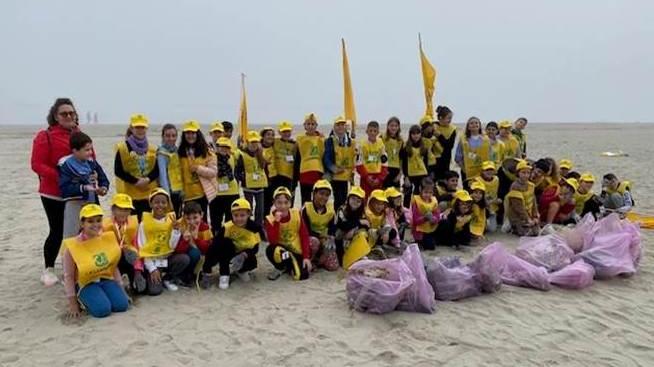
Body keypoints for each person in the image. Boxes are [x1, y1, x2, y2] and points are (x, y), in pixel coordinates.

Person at [31, 98, 83, 286]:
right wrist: (62, 176)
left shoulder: (79, 134)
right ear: (55, 116)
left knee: (78, 230)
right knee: (57, 230)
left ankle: (74, 266)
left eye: (71, 113)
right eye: (64, 113)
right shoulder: (45, 136)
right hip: (53, 192)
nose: (69, 116)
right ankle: (49, 269)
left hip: (77, 192)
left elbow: (89, 157)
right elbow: (37, 164)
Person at [62, 204, 129, 318]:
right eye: (90, 221)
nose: (95, 225)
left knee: (122, 305)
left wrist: (121, 288)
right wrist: (72, 303)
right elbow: (68, 276)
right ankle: (82, 299)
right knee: (102, 310)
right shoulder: (73, 246)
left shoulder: (106, 239)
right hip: (85, 283)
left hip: (105, 278)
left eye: (98, 220)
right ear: (82, 224)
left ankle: (103, 294)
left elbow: (113, 267)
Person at [202, 198, 265, 289]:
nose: (239, 218)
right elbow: (214, 246)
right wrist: (207, 269)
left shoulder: (255, 228)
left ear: (248, 214)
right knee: (224, 244)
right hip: (228, 253)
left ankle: (240, 271)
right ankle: (224, 274)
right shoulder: (227, 227)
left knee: (252, 262)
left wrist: (244, 255)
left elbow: (255, 247)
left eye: (242, 215)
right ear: (232, 215)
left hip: (243, 253)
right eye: (236, 215)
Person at [136, 189, 188, 295]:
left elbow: (172, 246)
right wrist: (152, 269)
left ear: (168, 204)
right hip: (152, 261)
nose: (160, 205)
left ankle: (168, 278)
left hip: (166, 258)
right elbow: (142, 248)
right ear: (151, 204)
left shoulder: (171, 220)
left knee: (184, 259)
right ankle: (152, 275)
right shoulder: (144, 223)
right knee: (154, 291)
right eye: (156, 202)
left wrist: (175, 230)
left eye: (164, 202)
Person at [59, 132, 109, 239]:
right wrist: (83, 187)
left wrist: (103, 188)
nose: (90, 152)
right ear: (75, 151)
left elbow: (103, 178)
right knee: (71, 235)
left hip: (92, 203)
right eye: (86, 150)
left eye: (91, 149)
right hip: (75, 203)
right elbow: (64, 189)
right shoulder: (66, 165)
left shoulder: (91, 162)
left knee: (95, 234)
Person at [114, 114, 159, 219]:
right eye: (137, 127)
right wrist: (135, 181)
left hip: (149, 195)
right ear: (131, 128)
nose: (140, 130)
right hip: (131, 195)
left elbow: (156, 170)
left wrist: (147, 179)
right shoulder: (123, 148)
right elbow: (118, 170)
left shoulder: (152, 148)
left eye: (142, 127)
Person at [265, 187, 312, 280]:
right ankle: (280, 267)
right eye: (279, 202)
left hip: (295, 250)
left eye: (286, 202)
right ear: (274, 203)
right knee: (271, 250)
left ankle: (291, 266)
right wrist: (277, 222)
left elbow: (304, 235)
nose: (283, 206)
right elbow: (273, 241)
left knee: (302, 275)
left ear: (290, 203)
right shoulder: (270, 219)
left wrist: (306, 257)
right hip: (281, 251)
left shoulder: (297, 214)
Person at [102, 194, 145, 293]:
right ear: (113, 210)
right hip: (113, 259)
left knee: (131, 256)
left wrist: (138, 269)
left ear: (130, 211)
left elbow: (137, 245)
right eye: (120, 209)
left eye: (126, 210)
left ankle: (134, 278)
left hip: (129, 258)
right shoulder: (105, 226)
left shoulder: (134, 224)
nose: (123, 213)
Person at [178, 120, 217, 224]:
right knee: (187, 223)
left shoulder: (207, 151)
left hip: (202, 194)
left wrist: (198, 169)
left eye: (193, 133)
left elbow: (213, 172)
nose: (190, 135)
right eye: (187, 133)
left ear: (198, 134)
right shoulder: (179, 152)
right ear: (184, 135)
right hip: (186, 195)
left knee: (202, 223)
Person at [302, 180, 339, 271]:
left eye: (327, 195)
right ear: (314, 193)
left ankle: (319, 260)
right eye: (321, 194)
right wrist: (321, 237)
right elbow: (305, 230)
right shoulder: (306, 208)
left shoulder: (331, 210)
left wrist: (329, 240)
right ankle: (310, 260)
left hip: (324, 240)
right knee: (314, 242)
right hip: (311, 239)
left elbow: (332, 229)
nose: (324, 197)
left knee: (333, 266)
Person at [174, 201, 212, 286]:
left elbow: (207, 248)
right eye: (188, 218)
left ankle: (193, 273)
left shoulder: (204, 227)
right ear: (183, 217)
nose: (191, 221)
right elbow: (177, 250)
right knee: (194, 253)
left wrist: (196, 239)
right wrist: (185, 240)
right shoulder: (179, 225)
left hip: (197, 253)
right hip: (182, 255)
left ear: (201, 215)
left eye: (195, 217)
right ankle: (184, 274)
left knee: (199, 254)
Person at [323, 116, 356, 210]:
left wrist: (352, 173)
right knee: (335, 198)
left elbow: (354, 158)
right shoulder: (329, 140)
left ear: (346, 127)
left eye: (342, 124)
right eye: (338, 125)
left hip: (345, 175)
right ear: (334, 127)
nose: (340, 127)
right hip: (333, 174)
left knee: (344, 198)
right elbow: (326, 158)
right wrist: (334, 169)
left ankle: (341, 217)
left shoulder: (350, 141)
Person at [236, 131, 268, 224]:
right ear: (248, 142)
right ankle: (248, 225)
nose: (254, 145)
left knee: (260, 209)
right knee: (248, 208)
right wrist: (242, 178)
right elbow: (238, 169)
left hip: (260, 185)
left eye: (256, 142)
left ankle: (258, 226)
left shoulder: (261, 153)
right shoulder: (242, 154)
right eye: (252, 142)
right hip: (248, 186)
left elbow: (263, 167)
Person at [335, 186, 370, 268]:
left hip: (352, 235)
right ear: (348, 199)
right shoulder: (341, 209)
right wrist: (358, 223)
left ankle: (359, 253)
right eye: (353, 199)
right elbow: (343, 225)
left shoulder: (362, 212)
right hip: (340, 237)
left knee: (363, 233)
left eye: (359, 201)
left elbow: (367, 225)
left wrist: (354, 228)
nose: (355, 202)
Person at [504, 160, 540, 236]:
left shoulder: (531, 185)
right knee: (527, 233)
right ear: (518, 173)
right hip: (517, 215)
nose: (526, 175)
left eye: (528, 173)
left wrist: (535, 216)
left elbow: (534, 202)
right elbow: (518, 207)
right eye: (523, 173)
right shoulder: (515, 186)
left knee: (536, 232)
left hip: (528, 213)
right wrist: (527, 219)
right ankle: (512, 227)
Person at [296, 113, 325, 205]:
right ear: (304, 126)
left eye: (313, 124)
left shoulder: (321, 138)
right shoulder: (300, 138)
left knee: (318, 198)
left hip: (318, 171)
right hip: (304, 171)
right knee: (305, 198)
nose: (310, 126)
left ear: (316, 126)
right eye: (308, 124)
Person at [213, 137, 240, 228]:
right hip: (217, 193)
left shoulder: (232, 157)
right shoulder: (211, 158)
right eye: (222, 146)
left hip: (232, 191)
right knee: (216, 220)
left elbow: (242, 151)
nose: (224, 149)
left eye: (227, 147)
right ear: (217, 147)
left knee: (230, 221)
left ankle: (228, 239)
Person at [356, 120, 389, 198]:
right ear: (366, 131)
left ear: (378, 132)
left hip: (378, 177)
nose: (372, 133)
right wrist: (367, 177)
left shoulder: (381, 144)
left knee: (377, 199)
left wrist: (380, 178)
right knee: (364, 199)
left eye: (375, 131)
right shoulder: (362, 144)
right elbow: (358, 163)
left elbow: (385, 162)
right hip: (366, 177)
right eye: (370, 131)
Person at [455, 116, 491, 186]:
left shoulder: (486, 139)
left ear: (480, 125)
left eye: (476, 123)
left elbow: (490, 155)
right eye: (471, 123)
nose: (474, 125)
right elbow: (458, 157)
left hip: (484, 173)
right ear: (468, 127)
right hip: (468, 173)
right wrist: (464, 169)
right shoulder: (463, 139)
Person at [157, 124, 183, 216]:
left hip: (179, 192)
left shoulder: (177, 151)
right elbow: (162, 176)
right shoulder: (161, 153)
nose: (171, 138)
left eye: (173, 136)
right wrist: (167, 198)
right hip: (169, 193)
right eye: (167, 136)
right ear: (163, 136)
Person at [400, 124, 429, 208]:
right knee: (407, 195)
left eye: (418, 133)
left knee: (418, 195)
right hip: (410, 174)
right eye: (413, 134)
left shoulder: (424, 147)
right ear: (410, 135)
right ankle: (406, 212)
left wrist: (427, 176)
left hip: (422, 174)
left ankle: (417, 211)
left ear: (421, 134)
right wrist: (406, 176)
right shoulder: (406, 147)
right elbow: (404, 163)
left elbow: (426, 163)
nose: (416, 135)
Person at [271, 121, 298, 204]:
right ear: (279, 132)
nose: (286, 133)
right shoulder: (275, 141)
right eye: (284, 132)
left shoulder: (295, 144)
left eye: (288, 131)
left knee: (289, 198)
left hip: (289, 176)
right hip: (277, 175)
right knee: (276, 198)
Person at [410, 177, 440, 250]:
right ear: (420, 189)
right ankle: (418, 241)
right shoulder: (416, 201)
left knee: (431, 246)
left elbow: (437, 215)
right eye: (426, 192)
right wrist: (425, 218)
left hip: (430, 228)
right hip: (419, 230)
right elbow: (415, 220)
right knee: (425, 246)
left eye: (430, 193)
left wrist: (433, 219)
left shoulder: (434, 201)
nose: (428, 195)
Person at [475, 161, 501, 231]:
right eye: (487, 170)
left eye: (491, 170)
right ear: (482, 171)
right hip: (482, 207)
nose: (489, 172)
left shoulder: (496, 179)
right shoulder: (477, 180)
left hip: (493, 208)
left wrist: (499, 199)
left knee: (492, 229)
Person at [434, 105, 456, 180]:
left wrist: (440, 136)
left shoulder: (452, 129)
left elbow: (449, 145)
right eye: (448, 118)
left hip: (445, 159)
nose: (450, 120)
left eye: (451, 118)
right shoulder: (434, 126)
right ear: (440, 118)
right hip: (433, 159)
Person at [382, 117, 404, 189]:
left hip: (396, 170)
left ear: (398, 127)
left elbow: (401, 158)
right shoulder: (382, 138)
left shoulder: (400, 140)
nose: (393, 128)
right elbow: (376, 154)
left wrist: (400, 174)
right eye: (391, 125)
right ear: (388, 126)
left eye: (396, 126)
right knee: (383, 195)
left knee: (395, 195)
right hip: (384, 168)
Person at [261, 127, 277, 216]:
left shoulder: (274, 145)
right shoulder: (259, 147)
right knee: (263, 203)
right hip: (263, 178)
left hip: (274, 177)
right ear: (263, 136)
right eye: (268, 134)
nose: (270, 137)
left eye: (272, 135)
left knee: (271, 202)